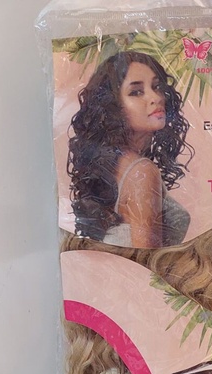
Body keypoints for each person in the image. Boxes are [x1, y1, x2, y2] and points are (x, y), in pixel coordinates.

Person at [68, 51, 192, 247]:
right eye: (136, 92)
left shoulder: (114, 165)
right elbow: (147, 259)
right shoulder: (141, 171)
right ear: (113, 106)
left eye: (156, 87)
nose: (155, 98)